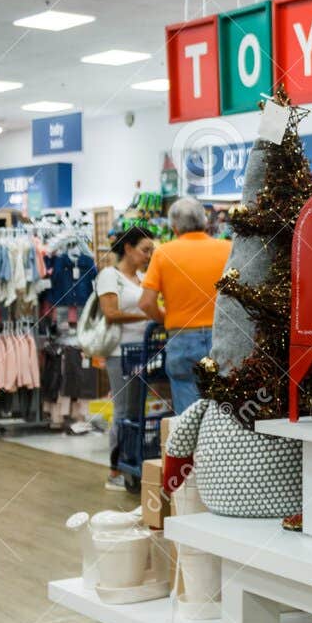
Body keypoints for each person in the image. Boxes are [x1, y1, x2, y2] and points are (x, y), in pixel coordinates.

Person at [138, 197, 230, 415]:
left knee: (188, 417)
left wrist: (164, 318)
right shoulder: (228, 249)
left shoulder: (163, 253)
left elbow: (146, 302)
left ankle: (192, 449)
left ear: (174, 227)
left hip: (182, 338)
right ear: (205, 222)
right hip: (224, 336)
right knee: (225, 408)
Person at [96, 227, 154, 491]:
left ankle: (133, 464)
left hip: (143, 353)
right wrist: (149, 316)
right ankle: (115, 470)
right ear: (128, 248)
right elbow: (110, 312)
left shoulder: (142, 277)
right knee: (122, 412)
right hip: (120, 354)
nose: (149, 255)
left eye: (151, 250)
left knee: (135, 412)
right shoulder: (110, 275)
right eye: (144, 249)